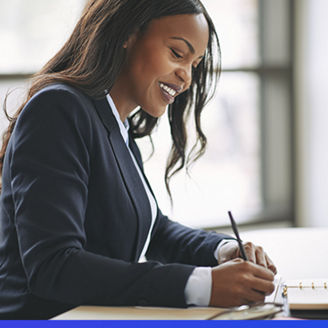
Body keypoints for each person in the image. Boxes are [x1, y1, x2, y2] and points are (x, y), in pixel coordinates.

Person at [0, 0, 277, 319]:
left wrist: (220, 250)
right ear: (127, 33)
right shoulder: (59, 110)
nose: (186, 77)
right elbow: (54, 266)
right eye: (177, 53)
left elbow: (153, 228)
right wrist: (201, 285)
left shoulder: (115, 124)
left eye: (194, 64)